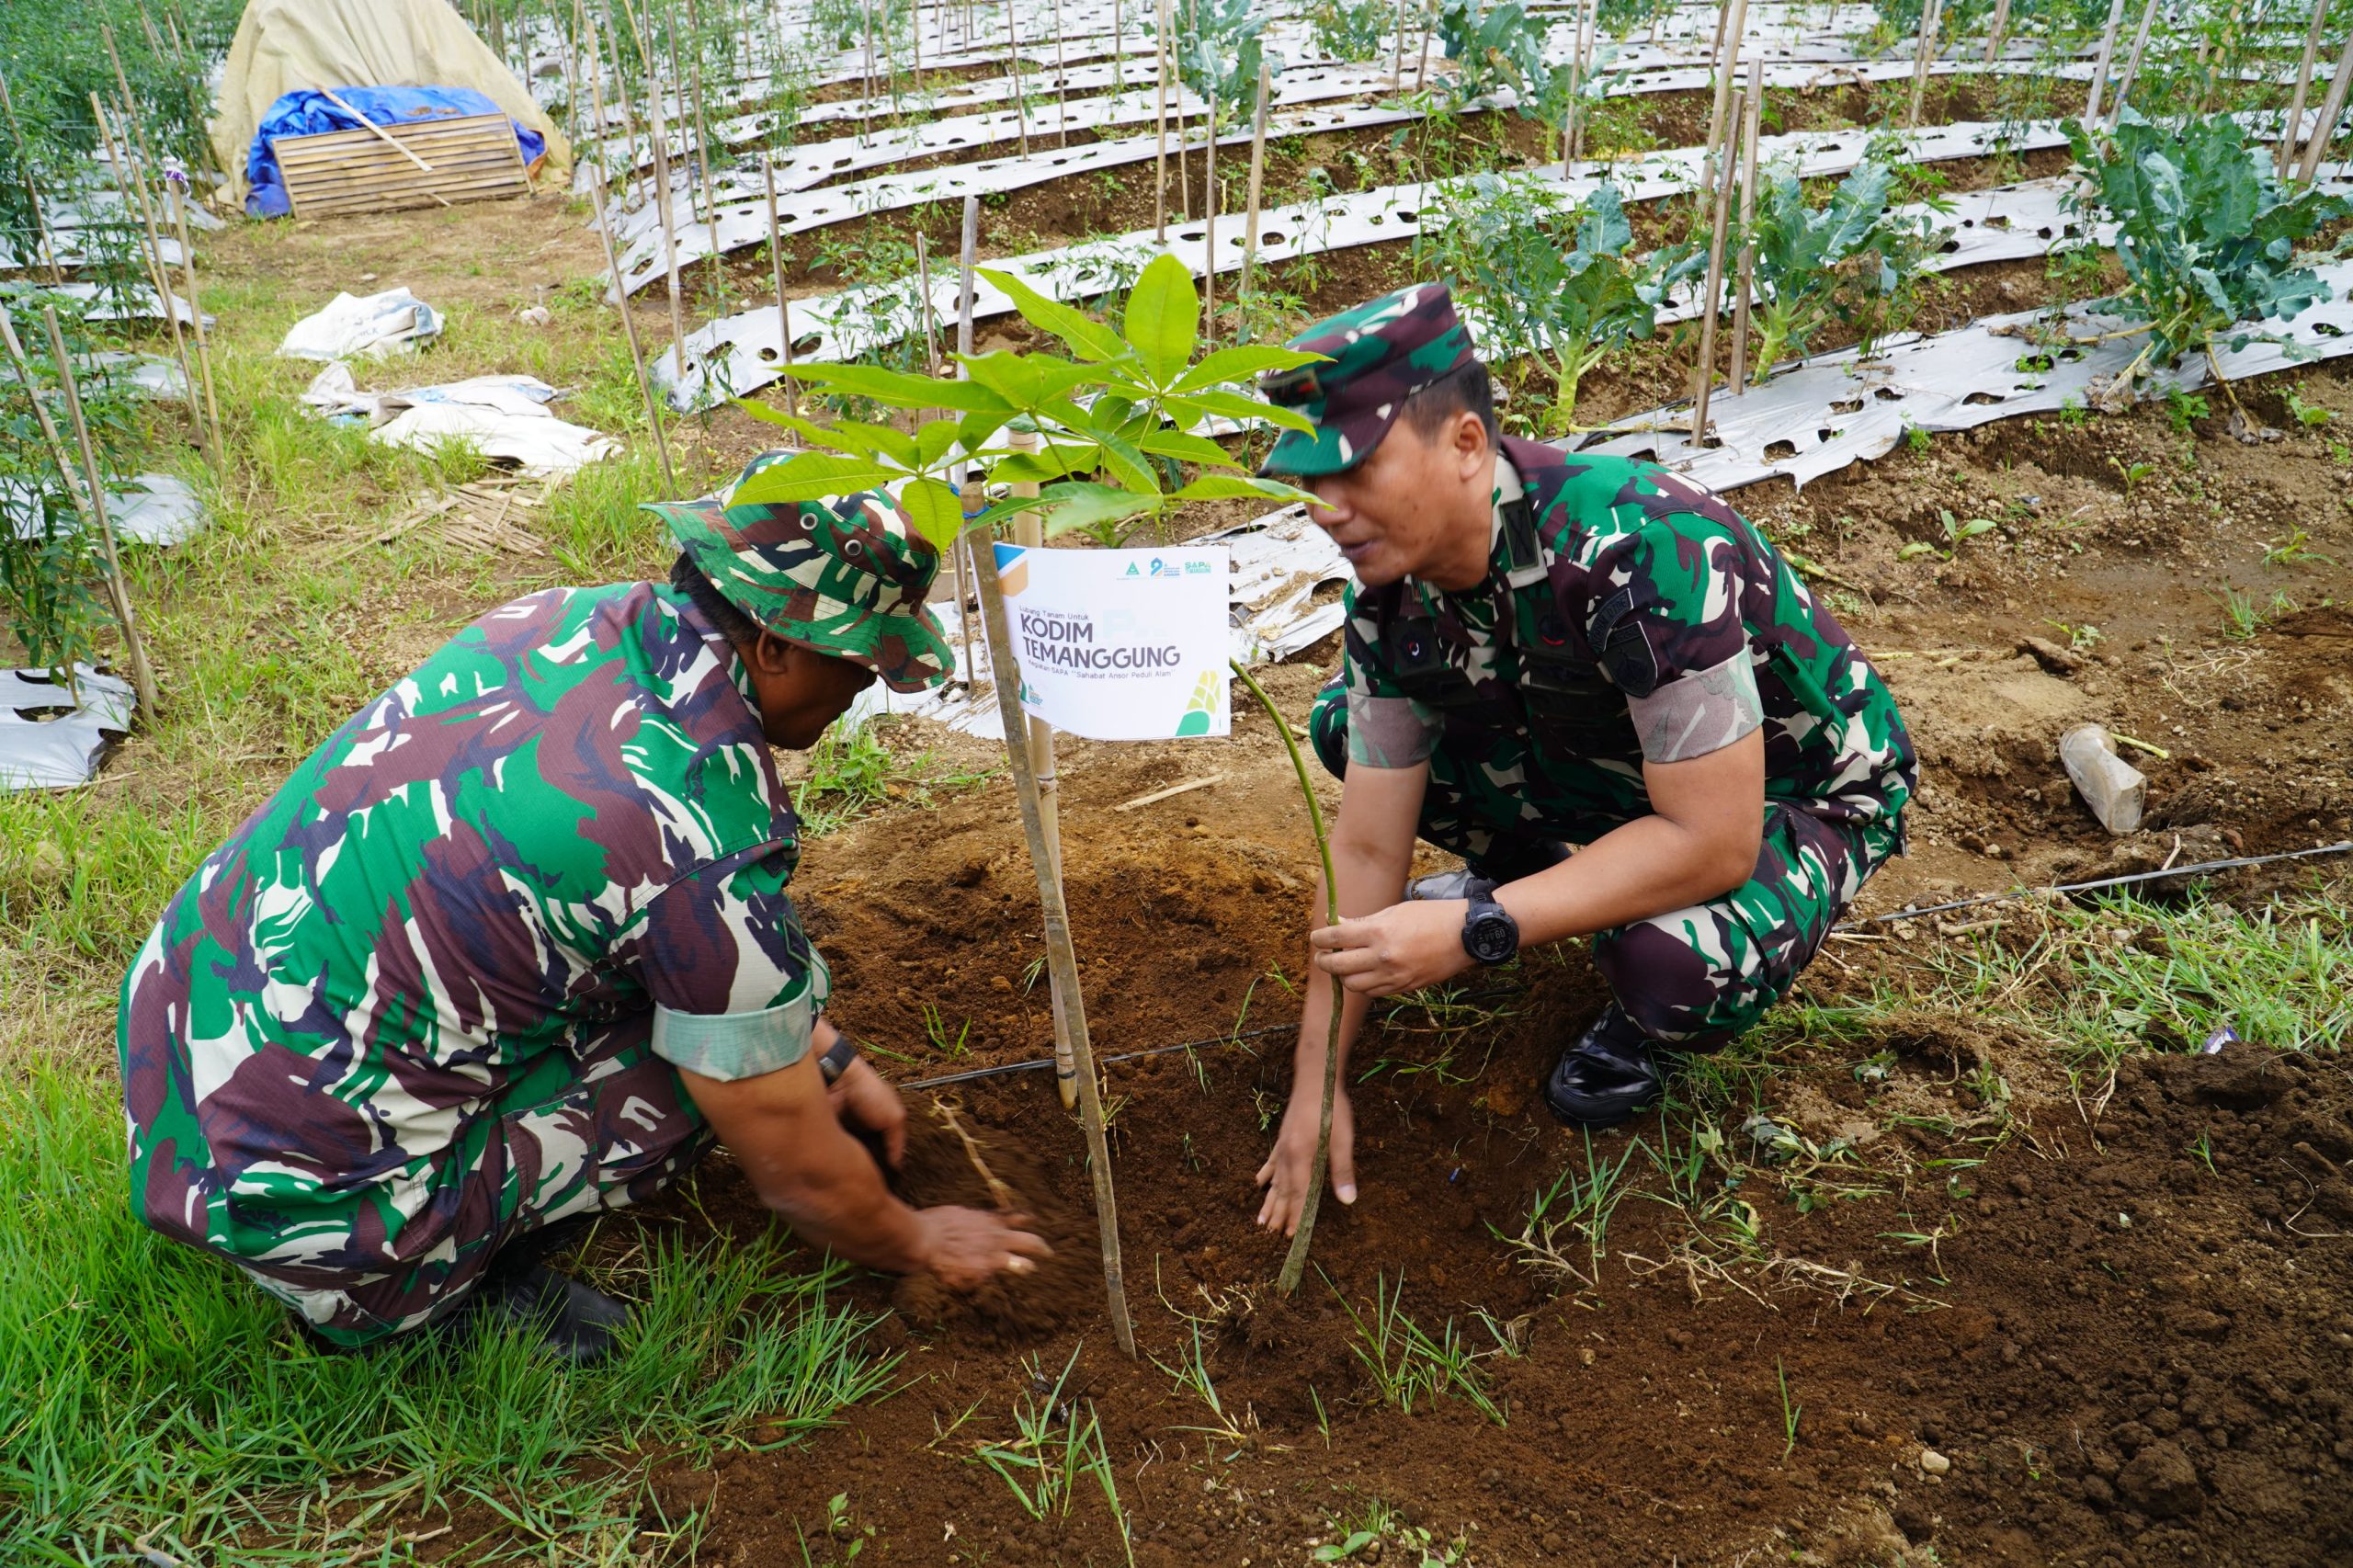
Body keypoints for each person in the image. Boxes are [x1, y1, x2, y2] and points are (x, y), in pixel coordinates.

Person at [119, 452, 1049, 1360]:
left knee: (716, 1005)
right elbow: (795, 1162)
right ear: (775, 644)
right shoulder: (697, 835)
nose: (861, 691)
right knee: (694, 1090)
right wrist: (914, 1236)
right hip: (304, 1197)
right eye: (861, 663)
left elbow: (658, 923)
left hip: (184, 1046)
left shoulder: (557, 620)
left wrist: (825, 1047)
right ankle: (402, 1295)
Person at [1250, 285, 1916, 1235]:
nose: (1325, 508)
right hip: (1616, 762)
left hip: (1791, 790)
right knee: (1341, 728)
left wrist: (1483, 926)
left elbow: (1715, 840)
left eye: (1352, 470)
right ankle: (1560, 875)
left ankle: (1627, 1002)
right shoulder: (1389, 600)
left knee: (1667, 960)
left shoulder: (1636, 547)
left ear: (1466, 444)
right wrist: (1316, 1084)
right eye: (1309, 481)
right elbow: (1362, 852)